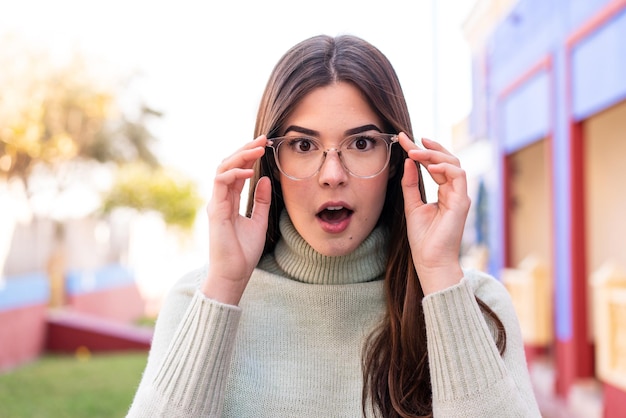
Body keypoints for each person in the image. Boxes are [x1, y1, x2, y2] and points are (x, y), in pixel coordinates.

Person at [127, 34, 541, 417]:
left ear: (397, 159)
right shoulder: (196, 301)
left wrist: (439, 278)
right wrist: (224, 286)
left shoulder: (476, 304)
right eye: (303, 145)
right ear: (271, 160)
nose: (332, 174)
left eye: (361, 144)